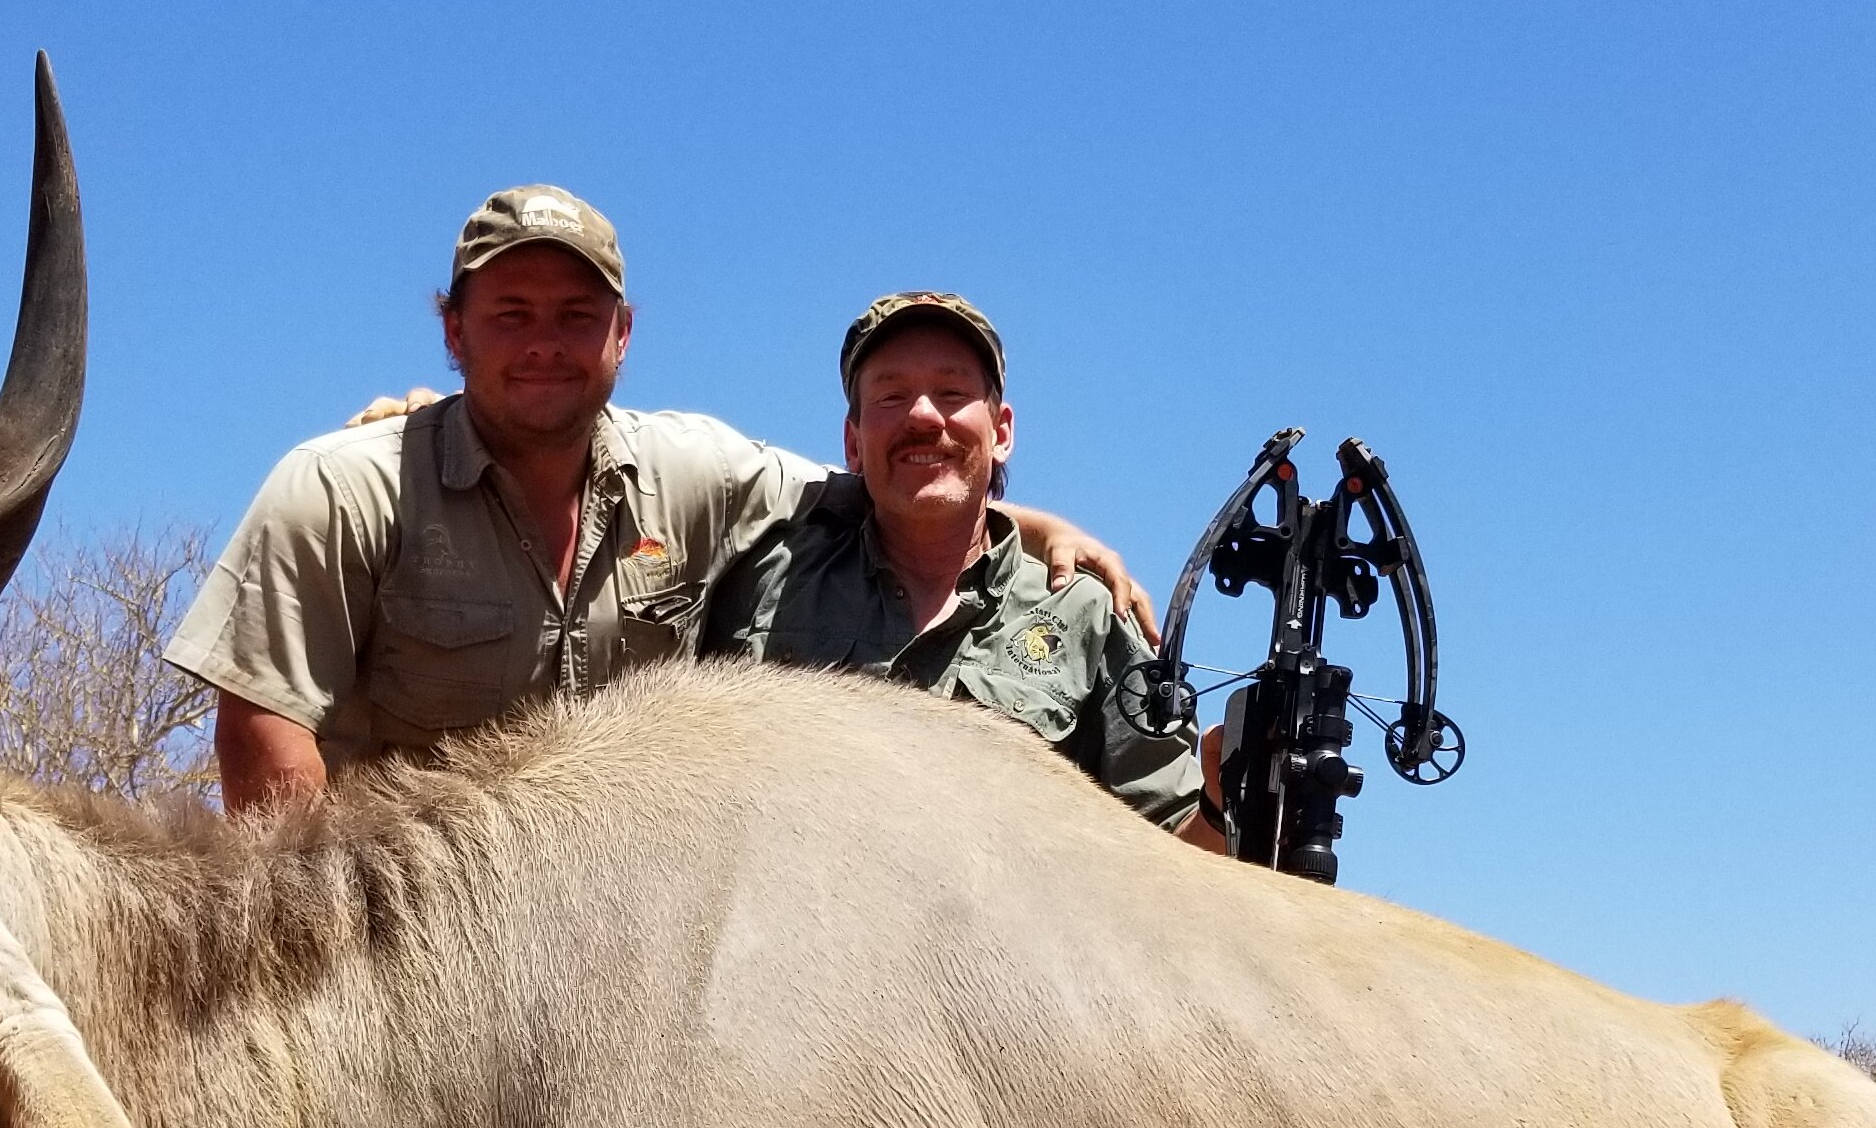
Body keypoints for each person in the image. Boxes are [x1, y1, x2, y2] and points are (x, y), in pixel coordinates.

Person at [164, 188, 1144, 812]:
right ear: (453, 331)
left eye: (576, 316)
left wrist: (1029, 524)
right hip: (393, 940)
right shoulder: (337, 487)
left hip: (624, 953)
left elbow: (899, 489)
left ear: (623, 334)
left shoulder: (701, 471)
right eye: (510, 315)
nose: (544, 341)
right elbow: (263, 733)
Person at [701, 293, 1209, 837]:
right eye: (891, 396)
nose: (922, 415)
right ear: (852, 443)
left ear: (1003, 433)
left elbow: (1175, 854)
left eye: (952, 392)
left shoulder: (1089, 612)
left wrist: (1226, 801)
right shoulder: (763, 585)